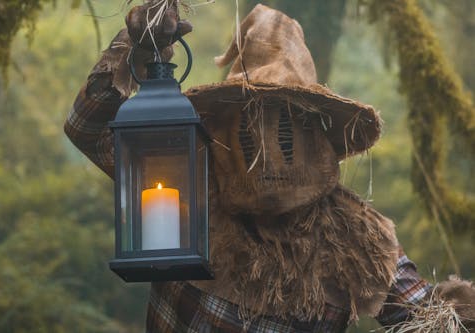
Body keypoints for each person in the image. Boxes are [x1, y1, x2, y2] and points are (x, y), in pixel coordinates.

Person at [65, 1, 474, 332]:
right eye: (249, 122)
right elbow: (87, 128)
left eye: (287, 123)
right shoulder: (187, 185)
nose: (267, 146)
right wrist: (135, 51)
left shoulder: (356, 238)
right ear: (224, 126)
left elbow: (429, 318)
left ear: (319, 133)